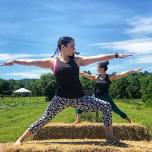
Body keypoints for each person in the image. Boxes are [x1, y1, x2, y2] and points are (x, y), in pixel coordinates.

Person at [0, 36, 132, 146]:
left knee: (106, 106)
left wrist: (115, 55)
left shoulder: (77, 60)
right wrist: (15, 61)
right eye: (72, 46)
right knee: (45, 119)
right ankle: (20, 140)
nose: (74, 49)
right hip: (60, 99)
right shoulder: (52, 62)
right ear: (63, 46)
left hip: (79, 99)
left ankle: (110, 138)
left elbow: (97, 57)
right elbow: (31, 61)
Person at [74, 61, 142, 124]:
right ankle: (78, 120)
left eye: (97, 67)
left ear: (102, 68)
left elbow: (122, 74)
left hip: (105, 97)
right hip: (95, 96)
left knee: (117, 110)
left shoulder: (109, 77)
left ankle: (130, 121)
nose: (96, 69)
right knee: (81, 104)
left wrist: (132, 71)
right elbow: (84, 74)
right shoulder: (96, 76)